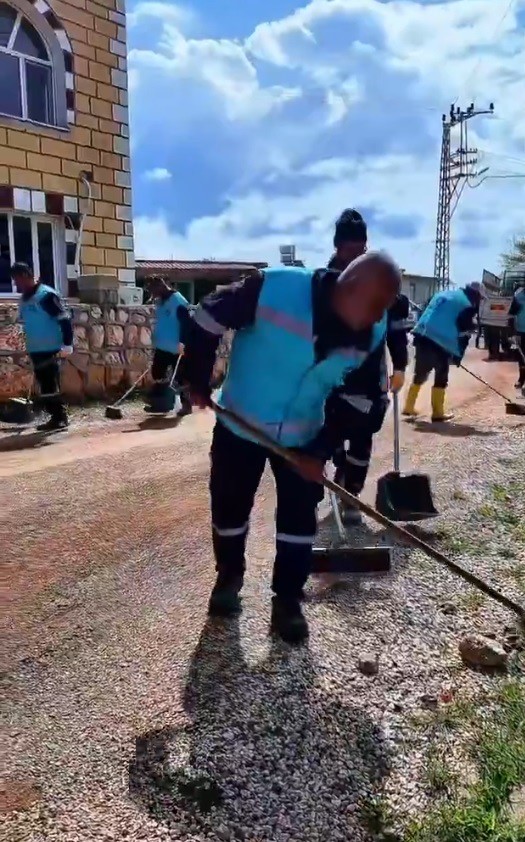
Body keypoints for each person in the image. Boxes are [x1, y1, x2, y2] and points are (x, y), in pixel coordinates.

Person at [182, 251, 401, 643]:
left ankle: (288, 600)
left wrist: (320, 449)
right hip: (241, 423)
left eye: (382, 310)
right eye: (372, 308)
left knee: (299, 521)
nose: (376, 319)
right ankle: (229, 577)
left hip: (304, 434)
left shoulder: (371, 327)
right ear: (347, 289)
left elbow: (365, 400)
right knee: (229, 509)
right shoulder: (274, 289)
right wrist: (196, 377)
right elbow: (207, 315)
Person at [328, 292, 410, 523]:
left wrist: (401, 366)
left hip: (369, 384)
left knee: (361, 440)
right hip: (328, 381)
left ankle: (351, 494)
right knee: (326, 438)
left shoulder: (389, 299)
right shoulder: (327, 290)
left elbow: (397, 334)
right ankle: (339, 470)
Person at [403, 283, 484, 422]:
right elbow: (463, 332)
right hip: (440, 340)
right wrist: (458, 355)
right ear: (476, 295)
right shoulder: (467, 305)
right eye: (480, 298)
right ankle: (437, 413)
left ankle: (408, 406)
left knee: (421, 371)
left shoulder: (443, 293)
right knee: (441, 375)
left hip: (422, 333)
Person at [12, 262, 73, 432]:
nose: (16, 285)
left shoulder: (46, 295)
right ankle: (55, 417)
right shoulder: (24, 299)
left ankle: (60, 417)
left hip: (51, 347)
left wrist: (67, 344)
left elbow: (64, 319)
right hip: (36, 348)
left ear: (26, 275)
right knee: (44, 384)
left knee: (50, 384)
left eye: (17, 280)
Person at [145, 276, 192, 416]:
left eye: (153, 291)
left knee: (181, 378)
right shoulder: (160, 301)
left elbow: (187, 324)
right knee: (158, 373)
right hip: (162, 345)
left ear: (161, 286)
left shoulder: (178, 301)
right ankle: (162, 404)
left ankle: (186, 405)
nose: (153, 295)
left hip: (177, 347)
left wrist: (183, 343)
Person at [508, 283, 525, 391]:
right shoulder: (519, 296)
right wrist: (511, 332)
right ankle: (521, 379)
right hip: (521, 332)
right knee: (522, 358)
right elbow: (511, 315)